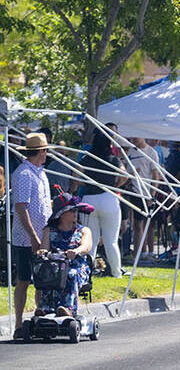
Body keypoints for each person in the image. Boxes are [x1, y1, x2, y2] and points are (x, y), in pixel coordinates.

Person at [11, 132, 54, 332]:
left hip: (42, 235)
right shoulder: (24, 174)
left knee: (43, 280)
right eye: (45, 150)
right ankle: (19, 323)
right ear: (42, 152)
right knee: (24, 279)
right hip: (26, 238)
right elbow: (21, 207)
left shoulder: (41, 173)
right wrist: (33, 236)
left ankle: (39, 316)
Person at [35, 191, 95, 319]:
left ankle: (68, 308)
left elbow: (86, 246)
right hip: (56, 266)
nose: (75, 213)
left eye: (75, 210)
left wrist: (77, 251)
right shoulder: (48, 230)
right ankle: (45, 307)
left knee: (70, 274)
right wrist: (42, 251)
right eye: (71, 210)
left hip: (77, 266)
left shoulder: (83, 230)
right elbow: (44, 248)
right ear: (61, 214)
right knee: (47, 273)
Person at [77, 128, 127, 277]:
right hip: (109, 198)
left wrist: (87, 184)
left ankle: (88, 272)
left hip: (89, 200)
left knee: (89, 239)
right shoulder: (113, 159)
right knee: (111, 240)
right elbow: (125, 175)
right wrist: (115, 185)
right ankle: (117, 273)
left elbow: (76, 176)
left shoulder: (87, 159)